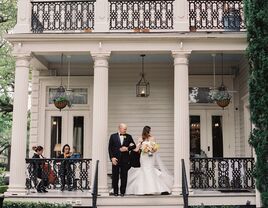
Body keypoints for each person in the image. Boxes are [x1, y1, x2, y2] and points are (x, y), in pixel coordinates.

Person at [125, 126, 173, 195]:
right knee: (144, 170)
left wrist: (152, 149)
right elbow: (137, 149)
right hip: (144, 157)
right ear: (147, 131)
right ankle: (144, 189)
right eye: (150, 131)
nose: (150, 132)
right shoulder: (140, 138)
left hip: (150, 157)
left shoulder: (152, 138)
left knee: (150, 170)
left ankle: (152, 188)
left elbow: (155, 148)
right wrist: (130, 149)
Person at [108, 123, 136, 196]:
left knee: (124, 176)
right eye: (124, 129)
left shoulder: (129, 136)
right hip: (115, 159)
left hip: (125, 159)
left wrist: (127, 148)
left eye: (126, 129)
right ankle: (115, 192)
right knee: (115, 176)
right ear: (120, 128)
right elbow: (110, 148)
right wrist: (112, 158)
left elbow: (134, 145)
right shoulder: (113, 136)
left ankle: (122, 192)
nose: (126, 130)